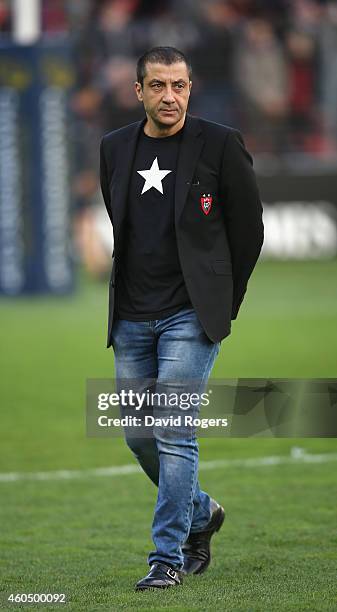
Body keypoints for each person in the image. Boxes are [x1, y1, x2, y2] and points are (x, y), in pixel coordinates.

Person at [100, 46, 264, 591]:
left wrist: (224, 303)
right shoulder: (114, 148)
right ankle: (203, 513)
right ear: (139, 90)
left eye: (179, 86)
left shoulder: (220, 143)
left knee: (174, 434)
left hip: (190, 316)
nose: (169, 96)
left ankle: (166, 558)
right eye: (158, 86)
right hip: (129, 317)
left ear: (190, 89)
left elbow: (248, 230)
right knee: (138, 436)